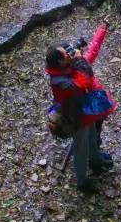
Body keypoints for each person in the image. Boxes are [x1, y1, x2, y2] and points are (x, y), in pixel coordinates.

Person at [45, 18, 116, 194]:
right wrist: (78, 59)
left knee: (92, 137)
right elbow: (84, 82)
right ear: (59, 62)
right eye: (65, 54)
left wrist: (102, 29)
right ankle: (82, 181)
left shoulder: (68, 67)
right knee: (81, 147)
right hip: (75, 118)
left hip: (86, 112)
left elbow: (91, 52)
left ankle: (96, 160)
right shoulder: (58, 81)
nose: (69, 55)